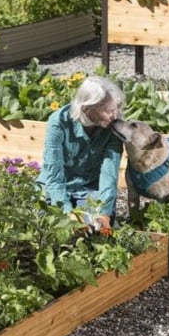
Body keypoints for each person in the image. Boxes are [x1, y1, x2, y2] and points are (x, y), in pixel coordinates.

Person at [36, 76, 124, 229]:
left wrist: (104, 213)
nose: (114, 116)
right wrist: (68, 213)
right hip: (55, 188)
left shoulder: (113, 127)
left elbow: (109, 175)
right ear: (87, 108)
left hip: (89, 189)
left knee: (96, 225)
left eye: (116, 109)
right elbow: (54, 176)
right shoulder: (58, 123)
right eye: (108, 111)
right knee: (43, 221)